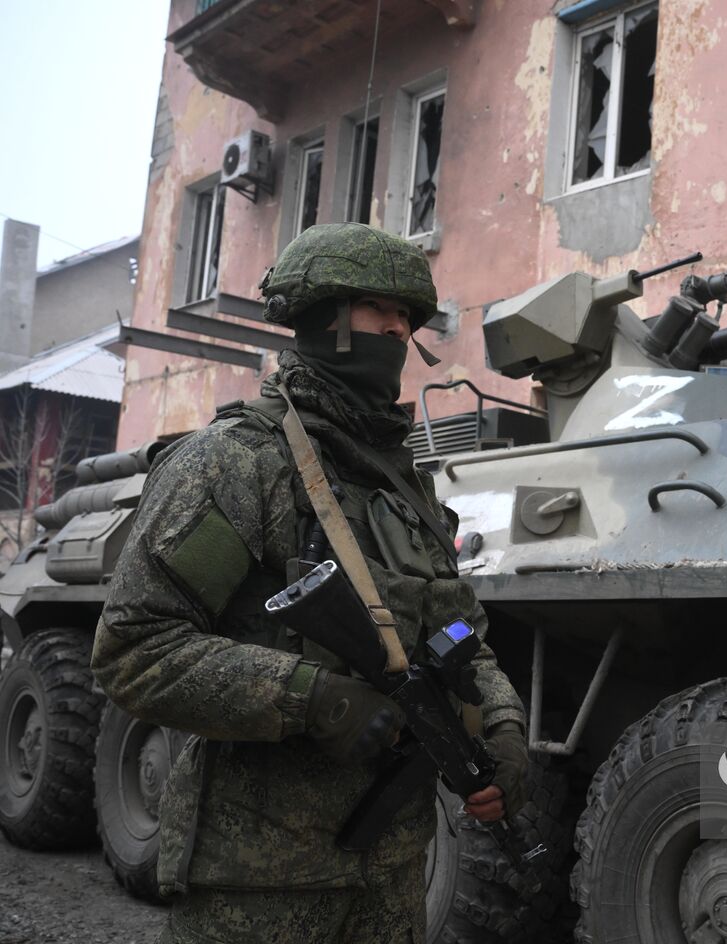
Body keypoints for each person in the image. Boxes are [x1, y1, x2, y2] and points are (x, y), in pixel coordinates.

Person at [91, 223, 528, 943]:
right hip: (259, 881)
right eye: (378, 310)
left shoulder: (404, 488)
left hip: (390, 874)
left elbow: (459, 635)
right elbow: (135, 648)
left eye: (408, 318)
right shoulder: (237, 461)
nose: (399, 328)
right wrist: (312, 699)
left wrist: (503, 728)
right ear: (322, 317)